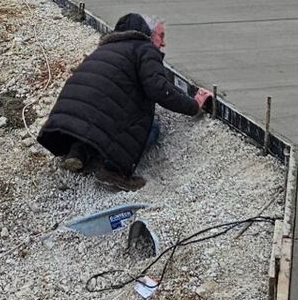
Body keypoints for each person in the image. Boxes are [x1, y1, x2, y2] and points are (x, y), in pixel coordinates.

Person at [37, 13, 213, 190]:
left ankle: (78, 151)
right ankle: (113, 170)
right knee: (150, 128)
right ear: (149, 34)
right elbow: (159, 90)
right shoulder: (145, 48)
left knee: (100, 114)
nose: (163, 43)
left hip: (67, 122)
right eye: (161, 36)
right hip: (98, 115)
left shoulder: (105, 48)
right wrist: (194, 105)